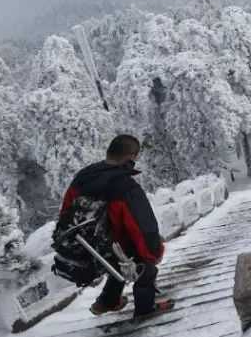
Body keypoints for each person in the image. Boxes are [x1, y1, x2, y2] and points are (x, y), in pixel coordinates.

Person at [57, 134, 175, 318]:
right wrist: (154, 252)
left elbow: (65, 212)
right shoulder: (125, 186)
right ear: (131, 157)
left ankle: (106, 303)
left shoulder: (84, 176)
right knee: (144, 263)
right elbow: (142, 227)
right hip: (114, 245)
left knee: (119, 261)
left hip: (86, 244)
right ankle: (145, 309)